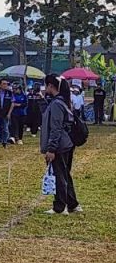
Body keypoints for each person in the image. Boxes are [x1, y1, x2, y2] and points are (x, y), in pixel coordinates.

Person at [41, 74, 81, 215]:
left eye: (46, 85)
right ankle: (72, 204)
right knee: (64, 174)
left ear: (50, 86)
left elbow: (56, 128)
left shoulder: (57, 104)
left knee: (59, 175)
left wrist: (51, 149)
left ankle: (60, 206)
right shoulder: (63, 102)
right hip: (66, 143)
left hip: (60, 145)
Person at [0, 79, 14, 147]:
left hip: (5, 114)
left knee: (5, 128)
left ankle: (4, 141)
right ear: (0, 84)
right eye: (3, 84)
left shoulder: (10, 93)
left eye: (6, 84)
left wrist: (9, 113)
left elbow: (12, 103)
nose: (5, 85)